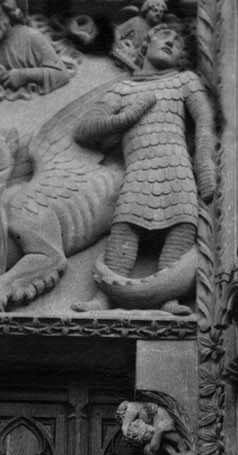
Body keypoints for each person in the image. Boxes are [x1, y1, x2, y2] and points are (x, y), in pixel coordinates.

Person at [75, 20, 216, 308]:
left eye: (177, 43)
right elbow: (85, 129)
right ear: (145, 44)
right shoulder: (124, 89)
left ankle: (169, 296)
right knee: (125, 227)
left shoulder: (184, 80)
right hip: (140, 170)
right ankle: (104, 296)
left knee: (182, 227)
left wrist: (204, 166)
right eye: (164, 35)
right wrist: (128, 117)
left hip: (177, 169)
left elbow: (204, 122)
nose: (170, 43)